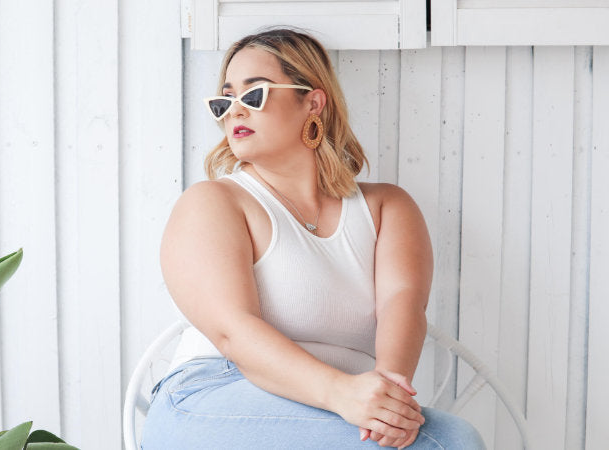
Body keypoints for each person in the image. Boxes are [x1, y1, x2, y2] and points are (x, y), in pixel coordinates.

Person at [141, 28, 485, 449]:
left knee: (450, 438)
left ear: (313, 102)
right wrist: (342, 394)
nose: (235, 111)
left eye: (254, 95)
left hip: (339, 410)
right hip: (213, 395)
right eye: (224, 100)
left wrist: (384, 400)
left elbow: (402, 305)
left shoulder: (386, 208)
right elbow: (233, 332)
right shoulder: (214, 202)